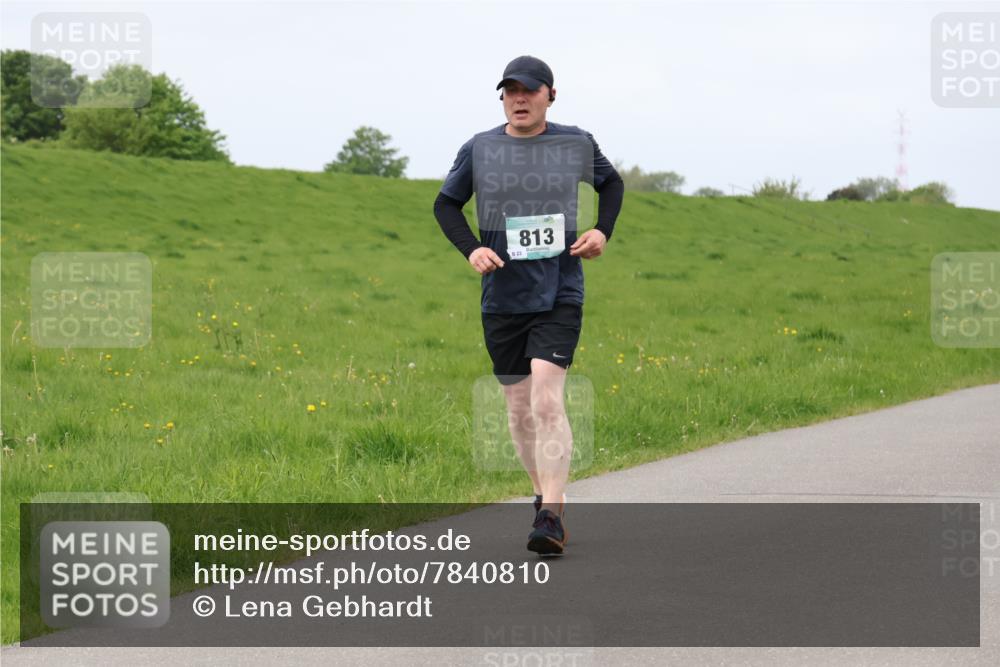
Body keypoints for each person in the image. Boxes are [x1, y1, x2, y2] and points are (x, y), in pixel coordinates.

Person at [433, 55, 624, 555]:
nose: (519, 98)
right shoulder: (480, 148)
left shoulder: (574, 143)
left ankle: (552, 517)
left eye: (529, 91)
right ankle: (543, 498)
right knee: (518, 410)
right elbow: (445, 204)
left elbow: (612, 183)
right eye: (510, 91)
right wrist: (471, 247)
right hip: (502, 295)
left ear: (550, 96)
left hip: (559, 289)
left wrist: (602, 230)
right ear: (502, 97)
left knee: (545, 398)